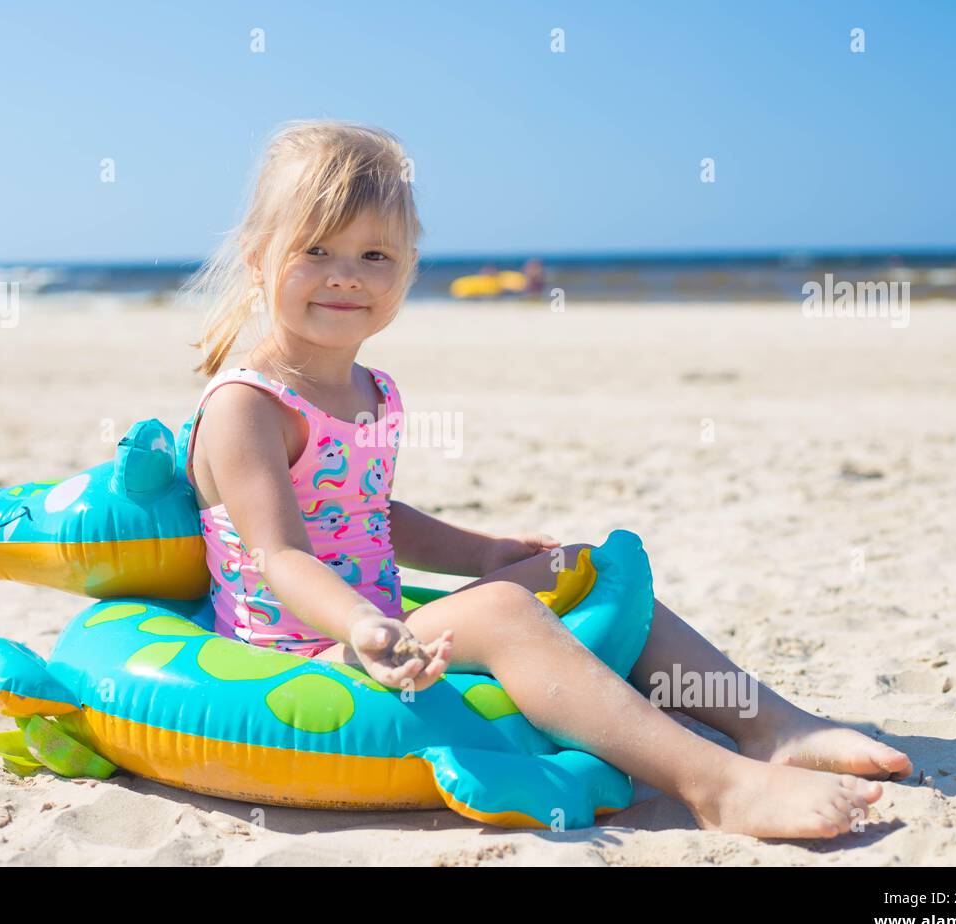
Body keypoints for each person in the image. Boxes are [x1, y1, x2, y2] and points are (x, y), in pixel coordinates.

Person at [185, 120, 912, 840]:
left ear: (405, 269)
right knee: (503, 614)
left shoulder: (372, 389)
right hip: (302, 647)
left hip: (377, 622)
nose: (346, 273)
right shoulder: (249, 407)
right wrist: (361, 625)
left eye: (373, 254)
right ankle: (715, 786)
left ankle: (775, 727)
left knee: (580, 570)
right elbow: (284, 553)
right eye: (316, 250)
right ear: (258, 260)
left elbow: (370, 514)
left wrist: (483, 553)